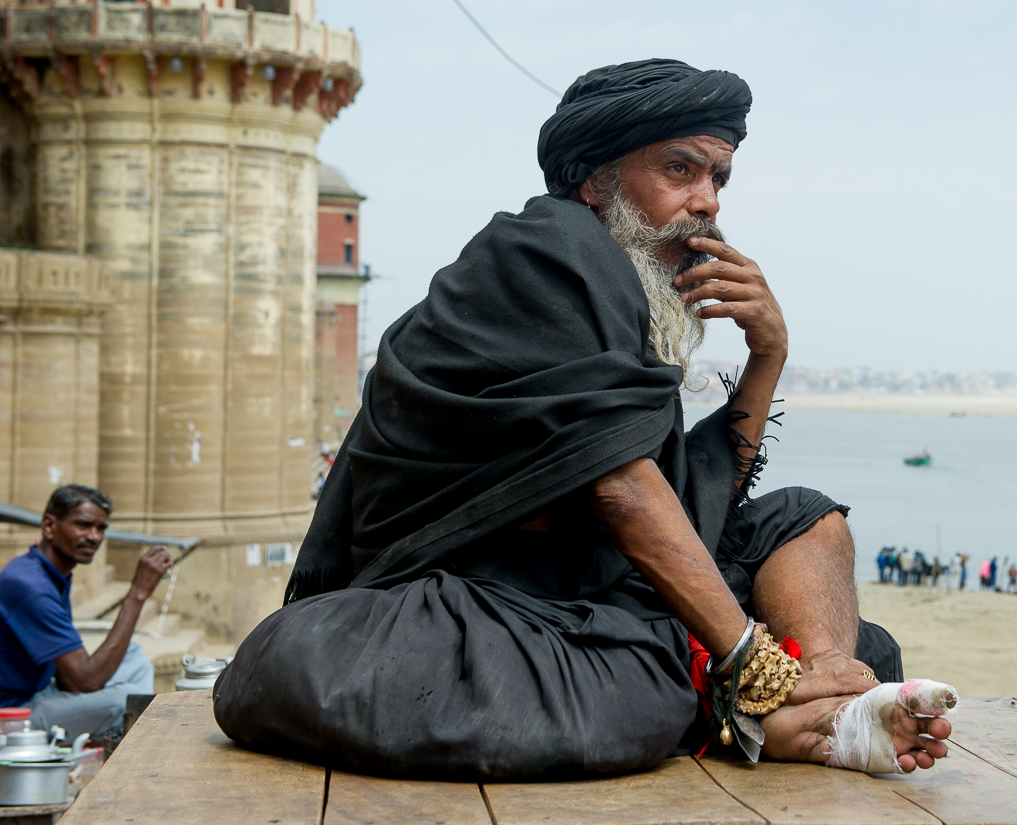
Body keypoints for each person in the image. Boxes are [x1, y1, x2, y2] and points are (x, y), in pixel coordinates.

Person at [214, 59, 953, 781]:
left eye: (718, 178)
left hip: (594, 584)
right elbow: (620, 490)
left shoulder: (617, 289)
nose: (709, 203)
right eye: (680, 170)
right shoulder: (548, 249)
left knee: (809, 526)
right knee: (633, 686)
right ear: (595, 179)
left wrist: (768, 352)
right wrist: (752, 665)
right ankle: (768, 703)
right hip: (485, 597)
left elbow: (696, 494)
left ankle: (827, 701)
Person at [0, 485, 171, 738]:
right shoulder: (29, 585)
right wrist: (137, 594)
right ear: (49, 526)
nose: (94, 537)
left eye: (101, 528)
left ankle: (127, 735)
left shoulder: (51, 573)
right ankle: (130, 743)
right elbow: (86, 681)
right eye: (83, 525)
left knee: (133, 656)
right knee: (122, 701)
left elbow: (71, 679)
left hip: (44, 689)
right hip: (13, 714)